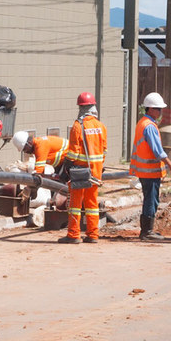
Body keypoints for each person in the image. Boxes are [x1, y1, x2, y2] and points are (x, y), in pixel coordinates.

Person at [129, 92, 171, 240]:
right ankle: (147, 232)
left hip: (145, 172)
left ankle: (146, 230)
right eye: (158, 109)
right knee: (151, 200)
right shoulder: (149, 126)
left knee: (150, 199)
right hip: (150, 172)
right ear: (150, 109)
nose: (160, 112)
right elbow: (158, 151)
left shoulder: (142, 122)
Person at [60, 92, 107, 244]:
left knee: (75, 204)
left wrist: (66, 166)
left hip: (80, 173)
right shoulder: (101, 126)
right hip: (95, 172)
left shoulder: (77, 126)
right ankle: (93, 235)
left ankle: (74, 235)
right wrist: (98, 166)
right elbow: (104, 150)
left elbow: (73, 153)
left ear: (81, 108)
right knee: (92, 205)